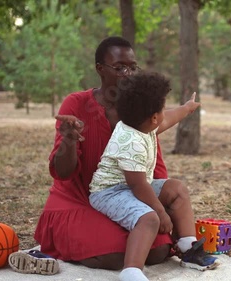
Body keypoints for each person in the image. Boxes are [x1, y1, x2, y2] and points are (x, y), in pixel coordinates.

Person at [21, 37, 185, 272]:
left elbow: (152, 163)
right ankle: (58, 249)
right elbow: (63, 173)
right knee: (117, 252)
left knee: (158, 250)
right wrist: (68, 141)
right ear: (100, 69)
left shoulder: (140, 109)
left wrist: (160, 208)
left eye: (132, 67)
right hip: (79, 200)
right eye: (119, 68)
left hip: (126, 198)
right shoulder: (76, 104)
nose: (128, 74)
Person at [88, 71, 218, 280]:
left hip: (134, 185)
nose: (165, 113)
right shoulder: (130, 142)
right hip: (109, 192)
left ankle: (187, 247)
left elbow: (167, 120)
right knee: (149, 219)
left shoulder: (142, 124)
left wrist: (186, 108)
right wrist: (161, 212)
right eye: (163, 108)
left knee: (177, 189)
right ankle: (132, 271)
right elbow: (138, 186)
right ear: (154, 117)